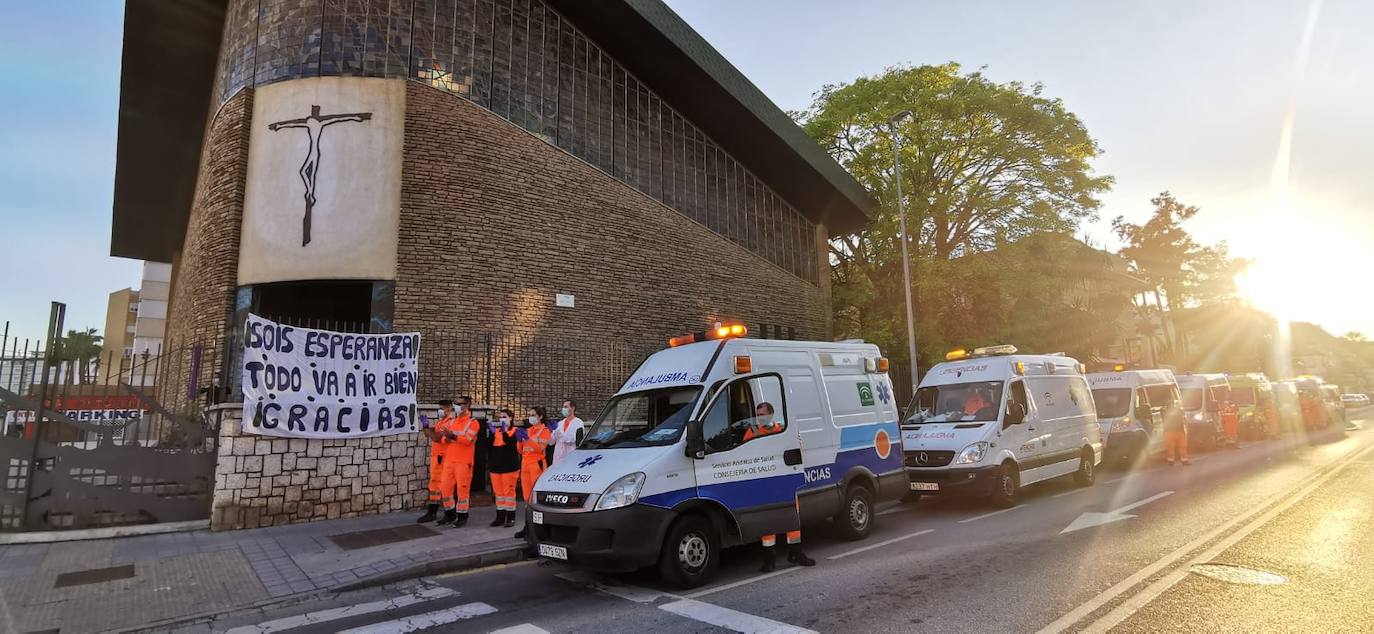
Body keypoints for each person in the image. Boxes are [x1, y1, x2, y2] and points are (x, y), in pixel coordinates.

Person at [756, 401, 816, 572]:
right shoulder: (752, 432)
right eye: (758, 415)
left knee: (792, 517)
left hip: (785, 478)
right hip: (765, 480)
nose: (760, 418)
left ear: (771, 414)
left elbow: (799, 448)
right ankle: (769, 559)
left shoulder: (783, 429)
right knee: (768, 522)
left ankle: (795, 553)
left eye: (763, 414)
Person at [441, 395, 481, 527]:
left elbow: (468, 441)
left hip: (464, 462)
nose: (457, 406)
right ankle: (449, 514)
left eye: (460, 403)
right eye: (456, 403)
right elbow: (443, 439)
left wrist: (452, 436)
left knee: (462, 491)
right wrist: (448, 437)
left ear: (467, 406)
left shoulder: (473, 422)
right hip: (450, 460)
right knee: (445, 488)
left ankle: (462, 516)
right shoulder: (452, 421)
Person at [514, 406, 553, 539]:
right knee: (526, 498)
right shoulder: (529, 430)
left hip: (536, 465)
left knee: (535, 498)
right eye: (529, 414)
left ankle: (536, 530)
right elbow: (521, 450)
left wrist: (528, 439)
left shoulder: (545, 431)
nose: (530, 417)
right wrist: (519, 441)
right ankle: (527, 527)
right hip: (525, 464)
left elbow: (541, 448)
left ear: (540, 416)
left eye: (533, 415)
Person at [416, 399, 455, 524]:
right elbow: (429, 434)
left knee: (444, 485)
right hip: (437, 458)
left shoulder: (449, 422)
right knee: (434, 485)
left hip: (443, 458)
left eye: (442, 408)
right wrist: (427, 427)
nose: (440, 410)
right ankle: (433, 512)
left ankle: (449, 513)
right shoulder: (441, 422)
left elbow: (436, 437)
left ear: (449, 408)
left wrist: (428, 429)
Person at [487, 409, 521, 528]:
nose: (502, 419)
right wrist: (491, 434)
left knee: (509, 493)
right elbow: (489, 447)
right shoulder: (496, 431)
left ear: (511, 418)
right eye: (500, 417)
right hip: (496, 467)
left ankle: (510, 518)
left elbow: (511, 445)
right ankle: (500, 517)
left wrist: (505, 432)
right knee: (499, 494)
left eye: (504, 416)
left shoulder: (515, 431)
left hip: (509, 467)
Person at [551, 399, 585, 466]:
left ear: (572, 408)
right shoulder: (560, 423)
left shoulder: (578, 423)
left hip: (570, 456)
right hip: (558, 457)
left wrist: (559, 434)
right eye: (563, 407)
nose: (563, 409)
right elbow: (551, 442)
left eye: (566, 407)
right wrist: (549, 431)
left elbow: (572, 439)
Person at [1163, 400, 1190, 466]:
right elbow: (1183, 420)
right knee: (1177, 447)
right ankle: (1182, 460)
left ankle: (1173, 461)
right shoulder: (1177, 411)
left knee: (1173, 447)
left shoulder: (1166, 411)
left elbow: (1183, 420)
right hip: (1176, 431)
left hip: (1172, 431)